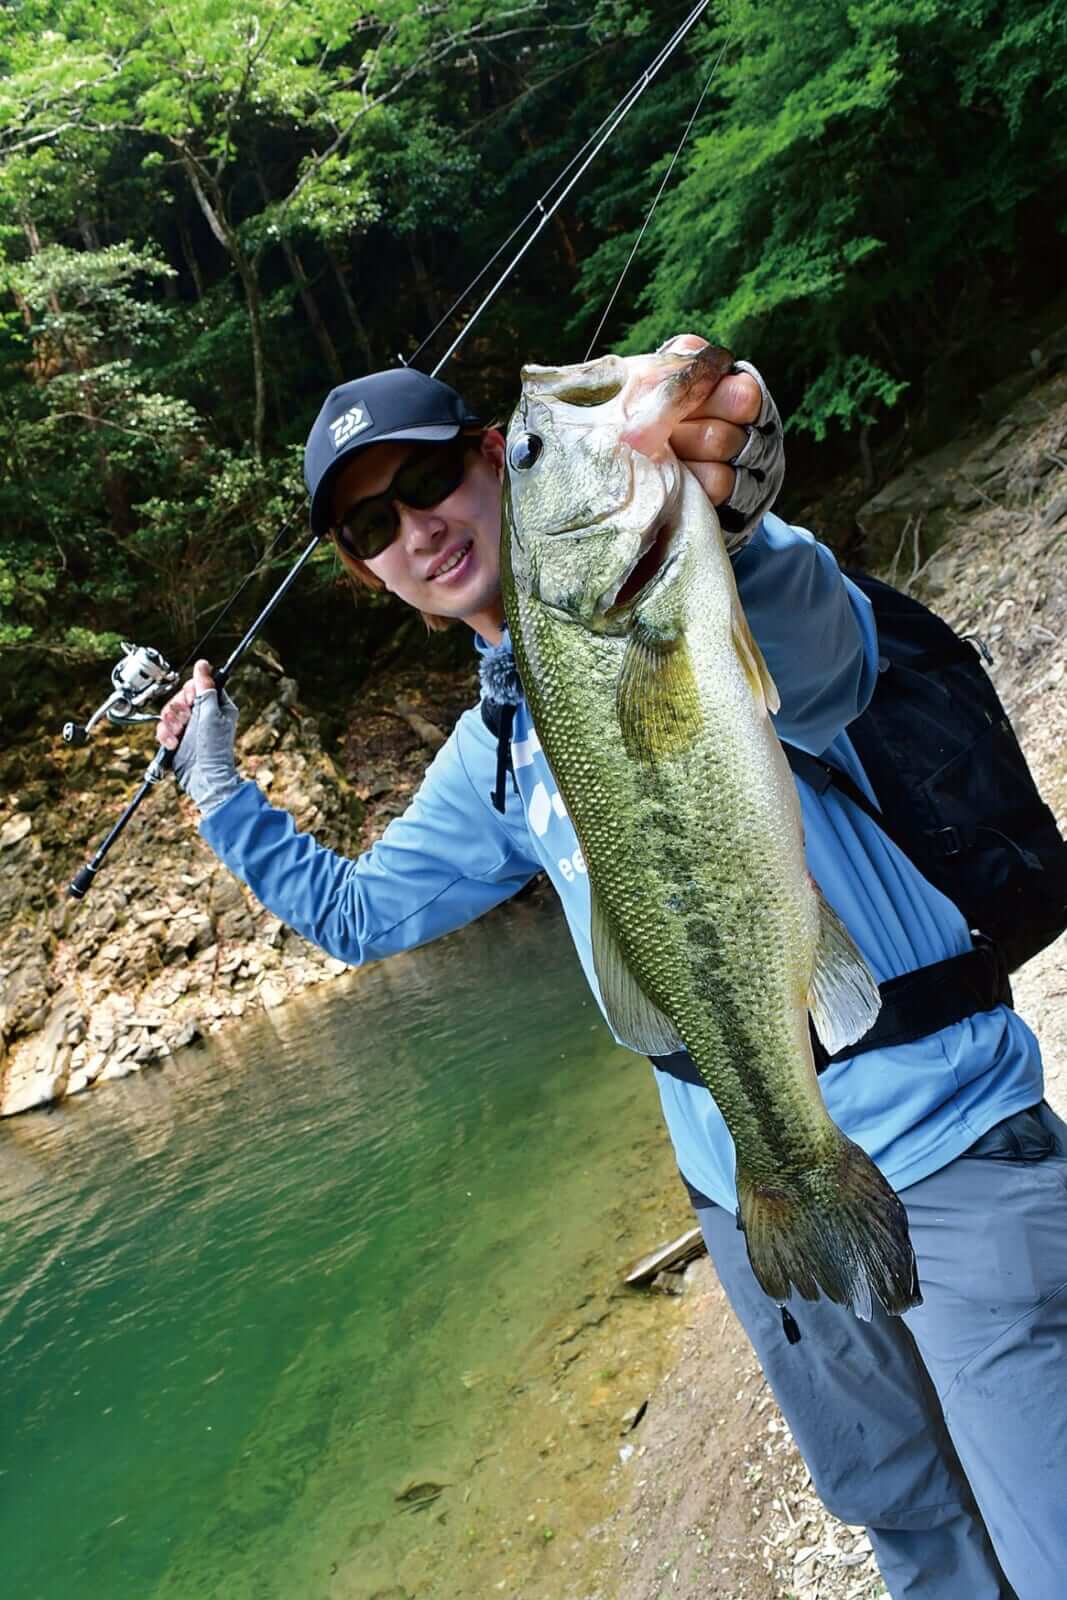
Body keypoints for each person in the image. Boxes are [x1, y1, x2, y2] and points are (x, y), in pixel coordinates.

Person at [157, 341, 1067, 1600]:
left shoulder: (705, 584)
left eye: (428, 478)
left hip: (949, 1137)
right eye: (372, 522)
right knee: (910, 1529)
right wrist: (216, 786)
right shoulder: (491, 756)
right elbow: (358, 915)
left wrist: (736, 524)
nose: (416, 529)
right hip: (755, 1189)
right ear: (365, 569)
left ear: (490, 461)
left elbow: (825, 658)